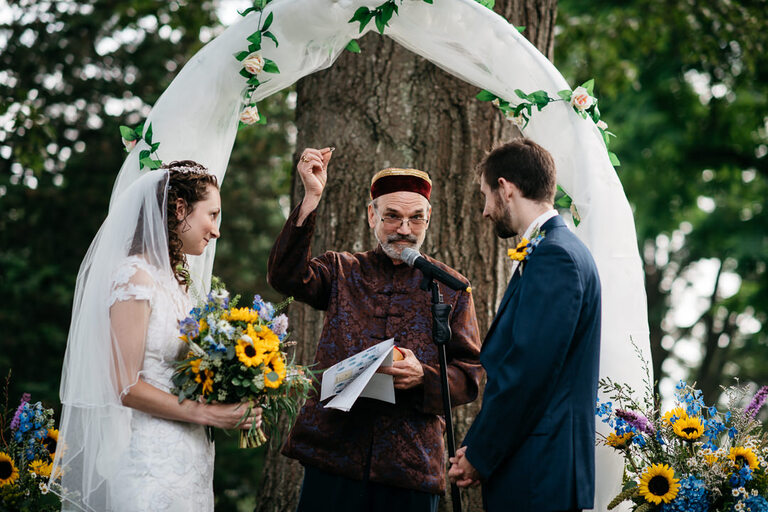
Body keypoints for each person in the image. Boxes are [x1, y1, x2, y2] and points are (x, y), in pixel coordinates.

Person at [267, 147, 483, 512]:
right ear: (372, 215)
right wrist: (312, 197)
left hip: (410, 466)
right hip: (332, 456)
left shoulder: (451, 287)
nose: (404, 229)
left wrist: (423, 376)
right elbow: (286, 277)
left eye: (416, 218)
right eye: (392, 216)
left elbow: (471, 376)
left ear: (428, 218)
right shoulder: (341, 270)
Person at [52, 161, 261, 512]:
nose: (216, 230)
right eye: (212, 214)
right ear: (180, 209)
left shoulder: (177, 285)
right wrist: (211, 414)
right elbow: (124, 385)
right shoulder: (134, 277)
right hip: (146, 460)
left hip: (189, 454)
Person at [448, 139, 601, 512]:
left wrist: (481, 453)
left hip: (540, 470)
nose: (485, 211)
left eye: (486, 195)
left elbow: (528, 371)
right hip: (540, 465)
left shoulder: (555, 256)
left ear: (506, 188)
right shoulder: (558, 249)